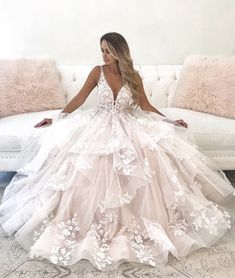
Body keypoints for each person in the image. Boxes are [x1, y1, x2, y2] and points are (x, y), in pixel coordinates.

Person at [0, 32, 234, 271]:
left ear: (120, 51)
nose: (104, 55)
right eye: (102, 49)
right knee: (86, 168)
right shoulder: (97, 72)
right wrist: (56, 118)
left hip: (128, 124)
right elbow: (80, 98)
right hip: (98, 126)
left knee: (145, 159)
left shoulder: (132, 76)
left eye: (108, 50)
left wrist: (170, 122)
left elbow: (145, 106)